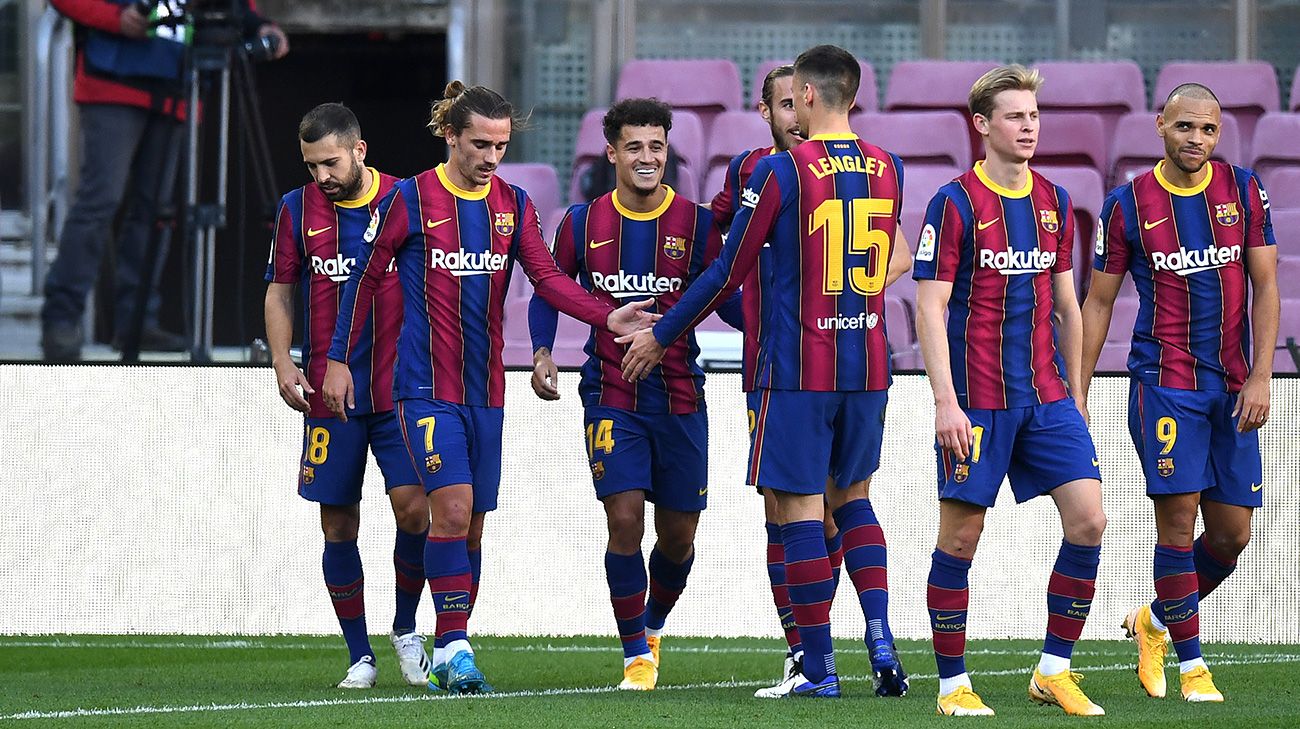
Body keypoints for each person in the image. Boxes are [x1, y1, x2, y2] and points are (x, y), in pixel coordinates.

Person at [321, 82, 659, 695]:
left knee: (472, 527)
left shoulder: (515, 204)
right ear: (451, 136)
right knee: (447, 508)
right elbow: (364, 280)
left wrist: (605, 316)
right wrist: (339, 360)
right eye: (480, 144)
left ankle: (448, 635)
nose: (491, 157)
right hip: (422, 385)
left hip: (486, 390)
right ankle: (455, 647)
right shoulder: (411, 198)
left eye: (501, 146)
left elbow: (549, 278)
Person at [621, 45, 910, 699]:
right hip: (867, 364)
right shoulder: (889, 167)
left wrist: (662, 333)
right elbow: (892, 258)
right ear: (853, 96)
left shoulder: (785, 169)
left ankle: (817, 666)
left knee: (800, 510)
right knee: (855, 500)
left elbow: (728, 268)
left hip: (798, 366)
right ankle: (883, 637)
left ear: (806, 96)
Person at [912, 64, 1106, 718]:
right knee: (961, 538)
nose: (1029, 127)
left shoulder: (1053, 200)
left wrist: (1077, 393)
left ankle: (1053, 668)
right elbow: (929, 307)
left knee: (1090, 519)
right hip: (978, 400)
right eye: (1016, 116)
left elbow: (1068, 305)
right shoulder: (955, 202)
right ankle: (952, 683)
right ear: (983, 125)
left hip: (1048, 395)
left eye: (1034, 116)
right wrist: (945, 401)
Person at [528, 98, 742, 692]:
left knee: (678, 536)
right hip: (609, 393)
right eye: (635, 147)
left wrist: (782, 319)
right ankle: (634, 657)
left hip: (680, 396)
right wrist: (543, 350)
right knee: (624, 521)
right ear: (612, 152)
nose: (647, 157)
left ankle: (651, 626)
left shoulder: (699, 225)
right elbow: (550, 288)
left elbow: (724, 296)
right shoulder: (580, 223)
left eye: (657, 146)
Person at [1080, 82, 1278, 704]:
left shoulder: (1244, 191)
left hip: (1234, 388)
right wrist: (1078, 392)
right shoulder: (1127, 204)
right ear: (1160, 125)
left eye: (1209, 130)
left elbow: (1267, 288)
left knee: (1231, 537)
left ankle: (1155, 620)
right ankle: (1192, 666)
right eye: (1186, 127)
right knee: (1178, 521)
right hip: (1164, 385)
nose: (1197, 139)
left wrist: (1262, 374)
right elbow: (1100, 301)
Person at [264, 103, 430, 690]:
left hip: (399, 387)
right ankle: (360, 655)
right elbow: (281, 291)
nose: (321, 177)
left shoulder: (407, 199)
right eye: (311, 167)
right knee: (338, 522)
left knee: (415, 510)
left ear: (360, 150)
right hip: (326, 393)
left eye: (330, 163)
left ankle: (407, 629)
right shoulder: (294, 209)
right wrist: (283, 361)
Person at [42, 0, 288, 360]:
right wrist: (114, 18)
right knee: (100, 202)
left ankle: (137, 322)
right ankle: (62, 319)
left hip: (179, 81)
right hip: (114, 80)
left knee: (156, 211)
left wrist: (257, 25)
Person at [710, 64, 846, 699]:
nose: (796, 115)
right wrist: (749, 319)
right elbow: (717, 253)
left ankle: (817, 645)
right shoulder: (748, 174)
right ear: (765, 113)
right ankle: (801, 648)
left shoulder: (845, 173)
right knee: (783, 511)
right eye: (783, 106)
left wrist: (851, 300)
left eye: (802, 102)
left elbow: (896, 254)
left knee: (829, 512)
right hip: (770, 369)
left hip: (837, 363)